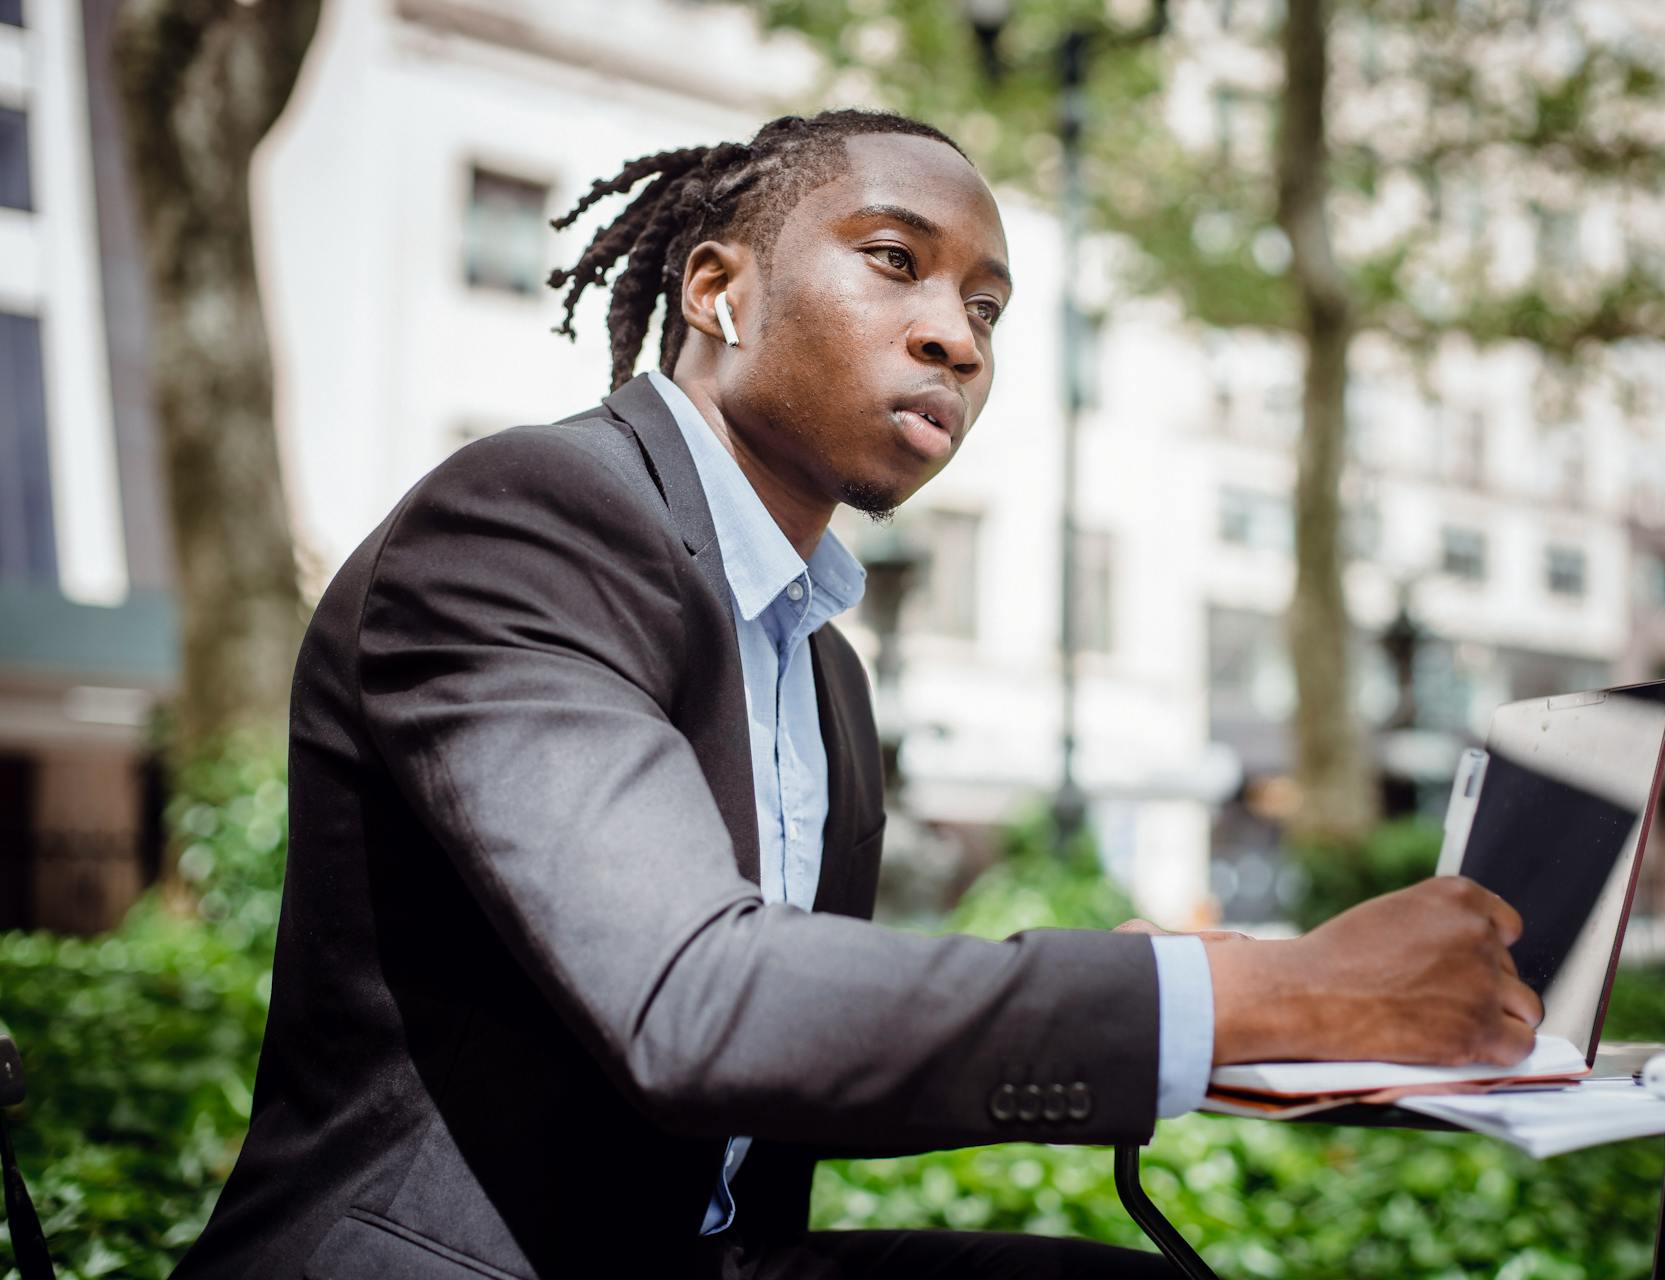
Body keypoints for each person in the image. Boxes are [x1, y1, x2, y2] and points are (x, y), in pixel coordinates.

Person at [173, 108, 1541, 1280]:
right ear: (718, 291)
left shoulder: (820, 659)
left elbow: (780, 1070)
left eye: (989, 310)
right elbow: (697, 1007)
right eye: (897, 263)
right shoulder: (533, 520)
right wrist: (1248, 997)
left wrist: (1168, 1006)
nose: (957, 337)